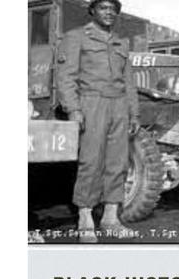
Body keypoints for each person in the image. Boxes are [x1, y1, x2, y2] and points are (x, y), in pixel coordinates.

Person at [55, 0, 139, 243]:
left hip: (119, 106)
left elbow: (129, 83)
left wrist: (134, 114)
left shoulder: (121, 43)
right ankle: (85, 217)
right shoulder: (76, 37)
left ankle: (111, 218)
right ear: (92, 10)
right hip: (91, 104)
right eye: (103, 7)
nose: (109, 12)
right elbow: (66, 76)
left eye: (113, 9)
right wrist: (73, 109)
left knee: (118, 162)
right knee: (91, 161)